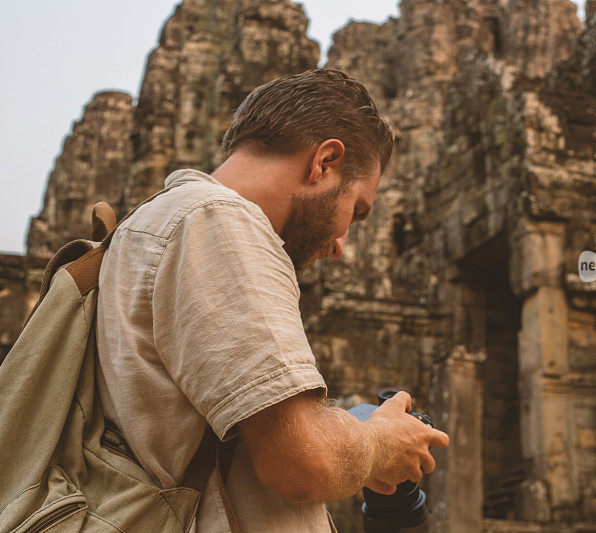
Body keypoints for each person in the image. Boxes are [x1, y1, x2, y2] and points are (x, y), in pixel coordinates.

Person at [95, 68, 450, 532]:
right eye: (356, 211)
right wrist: (383, 441)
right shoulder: (221, 223)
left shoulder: (161, 221)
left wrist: (352, 430)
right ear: (324, 162)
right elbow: (301, 464)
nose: (342, 243)